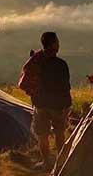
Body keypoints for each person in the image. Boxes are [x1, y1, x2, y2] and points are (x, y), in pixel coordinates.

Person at [18, 32, 71, 169]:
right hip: (58, 105)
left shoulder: (36, 61)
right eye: (57, 42)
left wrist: (34, 94)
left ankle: (47, 162)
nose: (59, 44)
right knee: (59, 133)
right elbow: (65, 87)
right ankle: (61, 163)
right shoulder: (60, 64)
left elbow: (24, 83)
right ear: (53, 44)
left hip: (40, 104)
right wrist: (67, 106)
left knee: (43, 135)